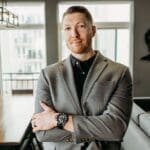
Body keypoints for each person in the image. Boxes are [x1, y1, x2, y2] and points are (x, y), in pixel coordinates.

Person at [31, 6, 132, 150]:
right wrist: (99, 131)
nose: (74, 34)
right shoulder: (48, 75)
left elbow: (116, 129)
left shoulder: (120, 72)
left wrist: (57, 119)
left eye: (81, 26)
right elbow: (42, 132)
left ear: (93, 30)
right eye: (67, 28)